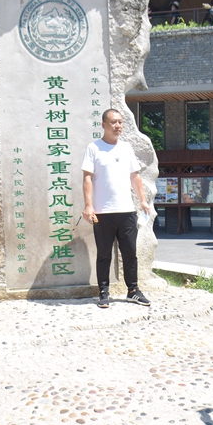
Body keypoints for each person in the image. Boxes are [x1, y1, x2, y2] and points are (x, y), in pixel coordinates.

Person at [82, 108, 151, 309]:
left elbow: (135, 176)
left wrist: (143, 201)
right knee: (104, 254)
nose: (118, 126)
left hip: (127, 211)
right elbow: (87, 177)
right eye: (113, 122)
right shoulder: (93, 148)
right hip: (102, 212)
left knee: (130, 253)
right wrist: (88, 205)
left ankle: (133, 291)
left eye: (120, 122)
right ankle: (103, 292)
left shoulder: (127, 148)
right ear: (103, 125)